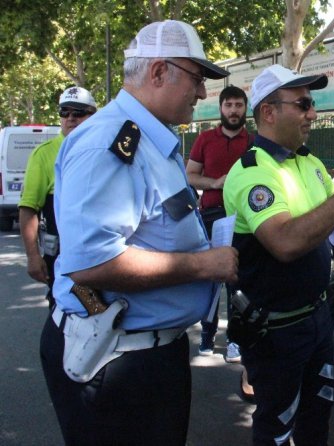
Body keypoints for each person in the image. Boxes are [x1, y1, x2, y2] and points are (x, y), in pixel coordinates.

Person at [40, 20, 238, 446]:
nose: (203, 92)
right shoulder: (110, 142)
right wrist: (204, 265)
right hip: (115, 362)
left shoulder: (150, 140)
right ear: (159, 72)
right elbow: (92, 262)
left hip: (146, 354)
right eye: (197, 78)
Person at [224, 64, 334, 446]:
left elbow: (332, 213)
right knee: (276, 427)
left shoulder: (309, 162)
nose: (313, 114)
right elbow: (285, 242)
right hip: (276, 332)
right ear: (269, 112)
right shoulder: (252, 170)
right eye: (304, 104)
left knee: (317, 420)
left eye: (312, 104)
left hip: (317, 319)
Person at [186, 85, 252, 360]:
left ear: (245, 109)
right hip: (212, 215)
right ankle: (207, 335)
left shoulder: (253, 142)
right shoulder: (204, 139)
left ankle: (235, 339)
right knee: (211, 279)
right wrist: (214, 183)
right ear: (221, 108)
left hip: (244, 219)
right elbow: (190, 175)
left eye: (239, 105)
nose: (234, 110)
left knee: (237, 281)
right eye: (229, 105)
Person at [19, 86, 97, 308]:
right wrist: (33, 256)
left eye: (78, 113)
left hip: (101, 254)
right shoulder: (44, 153)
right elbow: (28, 209)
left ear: (93, 115)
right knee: (65, 312)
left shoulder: (105, 148)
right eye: (65, 112)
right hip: (62, 257)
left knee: (100, 318)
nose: (70, 118)